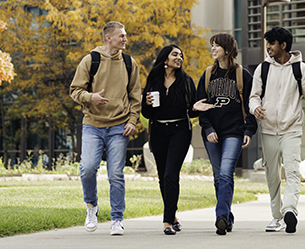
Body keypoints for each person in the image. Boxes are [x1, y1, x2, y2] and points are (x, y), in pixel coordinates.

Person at [70, 21, 141, 236]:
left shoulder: (129, 63)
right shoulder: (90, 60)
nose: (125, 39)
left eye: (125, 35)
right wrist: (91, 97)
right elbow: (75, 90)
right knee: (88, 168)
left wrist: (132, 120)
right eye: (121, 36)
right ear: (108, 37)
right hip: (93, 123)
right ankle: (91, 206)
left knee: (116, 173)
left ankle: (117, 219)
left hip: (119, 125)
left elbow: (135, 95)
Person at [250, 27, 305, 234]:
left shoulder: (302, 70)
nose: (268, 47)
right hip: (268, 129)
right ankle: (276, 217)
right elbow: (253, 96)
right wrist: (255, 108)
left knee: (292, 171)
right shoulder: (262, 68)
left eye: (272, 43)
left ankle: (290, 210)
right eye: (268, 43)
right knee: (272, 176)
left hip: (292, 129)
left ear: (283, 45)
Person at [141, 45, 213, 235]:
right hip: (157, 131)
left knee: (171, 174)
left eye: (181, 55)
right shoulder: (153, 80)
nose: (179, 58)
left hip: (179, 130)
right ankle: (173, 215)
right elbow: (147, 113)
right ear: (165, 59)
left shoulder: (186, 81)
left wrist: (196, 108)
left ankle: (167, 222)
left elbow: (190, 111)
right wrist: (147, 103)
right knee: (163, 178)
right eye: (175, 54)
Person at [196, 33, 258, 236]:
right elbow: (200, 107)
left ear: (227, 49)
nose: (213, 49)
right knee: (217, 177)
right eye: (212, 46)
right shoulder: (207, 75)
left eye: (217, 46)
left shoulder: (243, 75)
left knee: (225, 173)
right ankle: (227, 216)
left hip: (234, 131)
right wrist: (208, 129)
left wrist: (248, 130)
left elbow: (251, 105)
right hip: (213, 132)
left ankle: (220, 216)